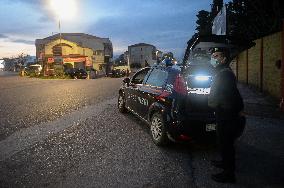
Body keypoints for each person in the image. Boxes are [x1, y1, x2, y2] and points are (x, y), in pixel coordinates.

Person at [208, 47, 244, 183]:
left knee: (227, 144)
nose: (213, 58)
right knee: (223, 143)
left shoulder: (225, 74)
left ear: (224, 59)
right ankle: (224, 163)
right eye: (213, 56)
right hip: (224, 114)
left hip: (227, 115)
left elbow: (228, 96)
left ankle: (229, 174)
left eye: (216, 56)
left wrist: (214, 104)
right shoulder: (221, 72)